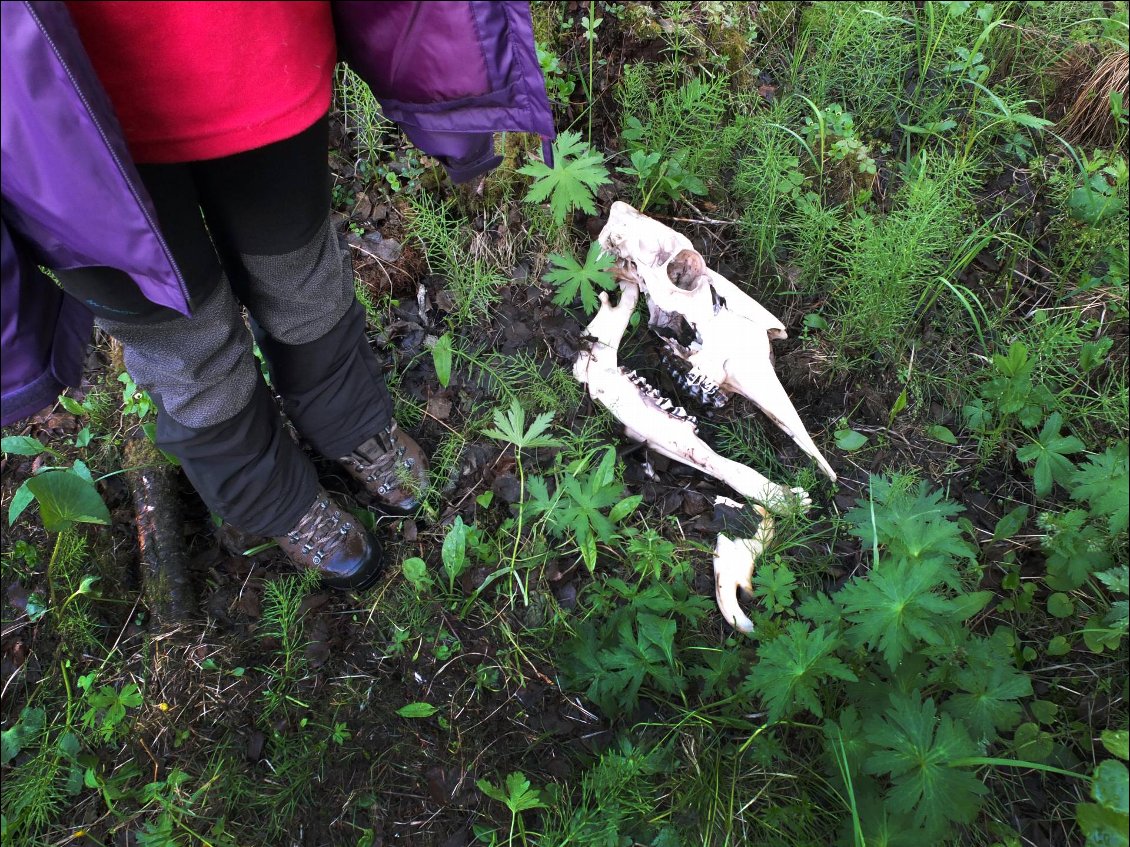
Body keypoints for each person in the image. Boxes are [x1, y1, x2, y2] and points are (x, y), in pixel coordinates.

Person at [0, 1, 555, 589]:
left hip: (252, 52)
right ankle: (274, 498)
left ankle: (350, 421)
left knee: (303, 279)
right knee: (181, 344)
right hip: (49, 128)